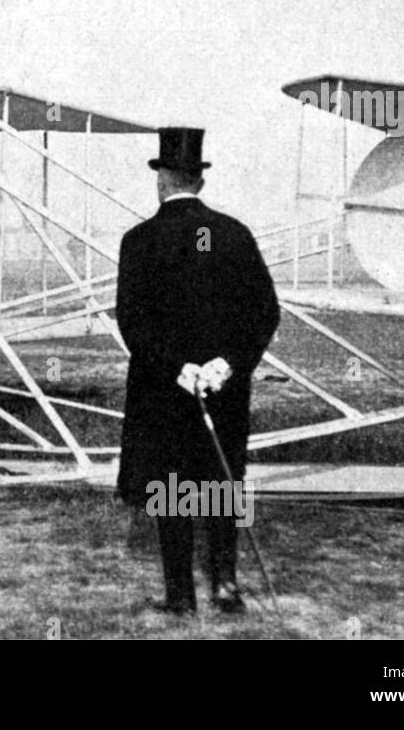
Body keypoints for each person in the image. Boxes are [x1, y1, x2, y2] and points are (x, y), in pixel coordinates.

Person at [115, 127, 279, 615]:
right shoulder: (233, 234)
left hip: (164, 390)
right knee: (221, 483)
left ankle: (181, 595)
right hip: (224, 389)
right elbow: (265, 311)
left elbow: (132, 321)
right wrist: (229, 363)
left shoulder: (138, 241)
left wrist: (176, 367)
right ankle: (226, 586)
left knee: (173, 485)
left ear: (162, 180)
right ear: (199, 181)